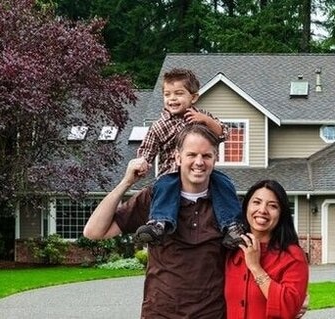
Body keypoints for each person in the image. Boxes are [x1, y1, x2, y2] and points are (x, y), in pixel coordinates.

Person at [84, 124, 232, 318]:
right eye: (191, 155)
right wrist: (126, 183)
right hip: (160, 313)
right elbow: (93, 232)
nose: (199, 162)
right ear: (178, 158)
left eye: (206, 156)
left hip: (211, 313)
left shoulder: (227, 206)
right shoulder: (155, 198)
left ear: (215, 159)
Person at [134, 68, 244, 248]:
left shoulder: (202, 117)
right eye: (167, 94)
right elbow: (148, 147)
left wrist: (206, 121)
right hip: (171, 173)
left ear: (193, 97)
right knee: (163, 187)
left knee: (224, 183)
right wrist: (143, 162)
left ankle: (232, 226)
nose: (172, 99)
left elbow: (223, 133)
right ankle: (158, 224)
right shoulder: (160, 125)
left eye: (179, 93)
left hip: (200, 171)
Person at [225, 179, 309, 319]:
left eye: (272, 206)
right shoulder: (230, 250)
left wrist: (255, 267)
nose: (262, 210)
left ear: (281, 213)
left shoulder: (293, 256)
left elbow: (287, 309)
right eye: (256, 202)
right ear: (246, 207)